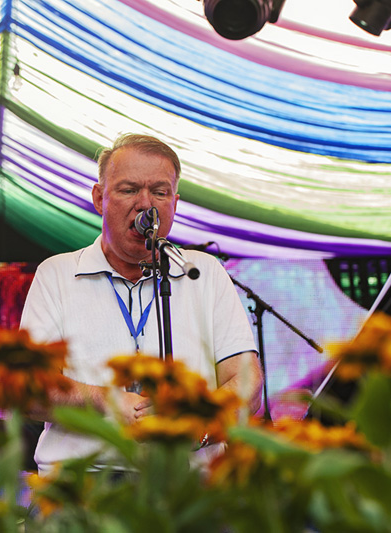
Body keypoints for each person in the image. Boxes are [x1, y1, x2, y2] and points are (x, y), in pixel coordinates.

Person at [19, 133, 263, 475]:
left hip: (192, 489)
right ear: (100, 198)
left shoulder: (202, 272)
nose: (146, 204)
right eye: (129, 189)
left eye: (160, 192)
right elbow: (27, 389)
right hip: (83, 489)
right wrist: (107, 400)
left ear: (174, 204)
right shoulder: (57, 274)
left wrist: (203, 425)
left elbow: (248, 382)